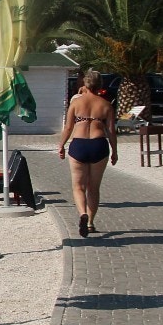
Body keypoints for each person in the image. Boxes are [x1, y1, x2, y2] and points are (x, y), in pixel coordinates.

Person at [58, 69, 119, 237]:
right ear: (100, 85)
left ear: (85, 83)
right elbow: (111, 131)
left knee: (78, 186)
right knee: (94, 188)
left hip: (79, 145)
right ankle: (91, 222)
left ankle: (82, 213)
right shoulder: (106, 105)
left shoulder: (76, 104)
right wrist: (115, 151)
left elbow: (68, 128)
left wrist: (61, 145)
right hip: (99, 145)